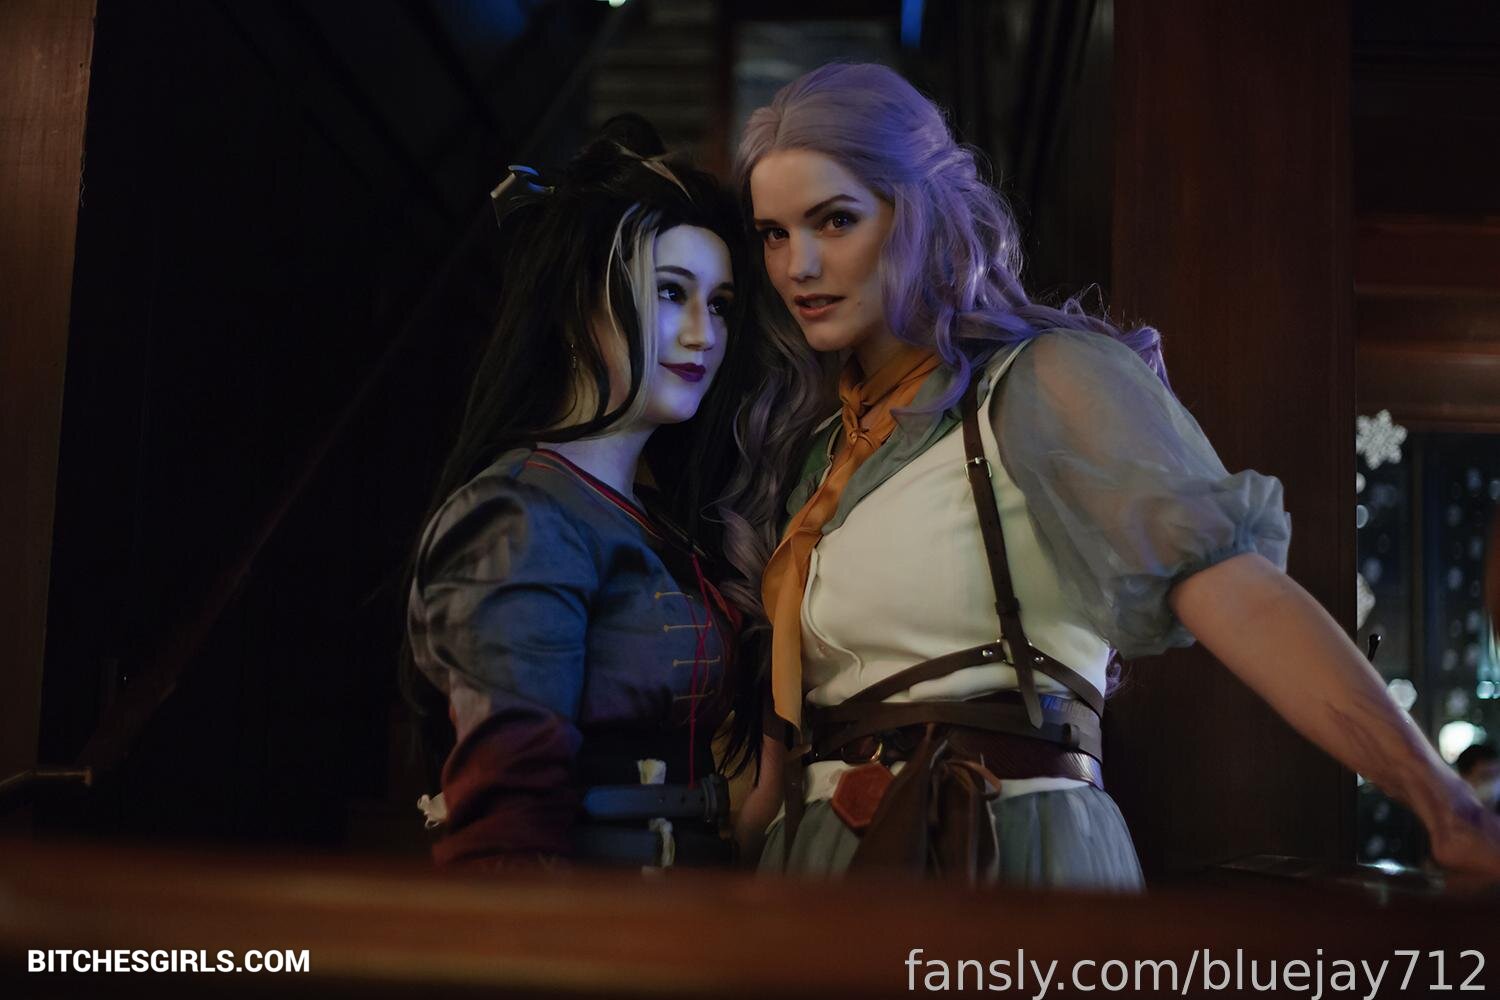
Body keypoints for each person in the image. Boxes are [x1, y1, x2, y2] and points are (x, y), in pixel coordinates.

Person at [718, 63, 1500, 887]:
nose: (798, 264)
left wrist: (1446, 805)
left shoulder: (1041, 380)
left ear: (918, 214)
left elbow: (1241, 596)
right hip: (820, 867)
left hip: (997, 845)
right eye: (774, 234)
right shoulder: (820, 452)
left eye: (835, 220)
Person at [403, 117, 754, 869]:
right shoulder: (520, 517)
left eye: (721, 303)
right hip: (592, 918)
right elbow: (509, 828)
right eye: (670, 292)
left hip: (690, 911)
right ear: (574, 305)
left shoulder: (655, 518)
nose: (704, 333)